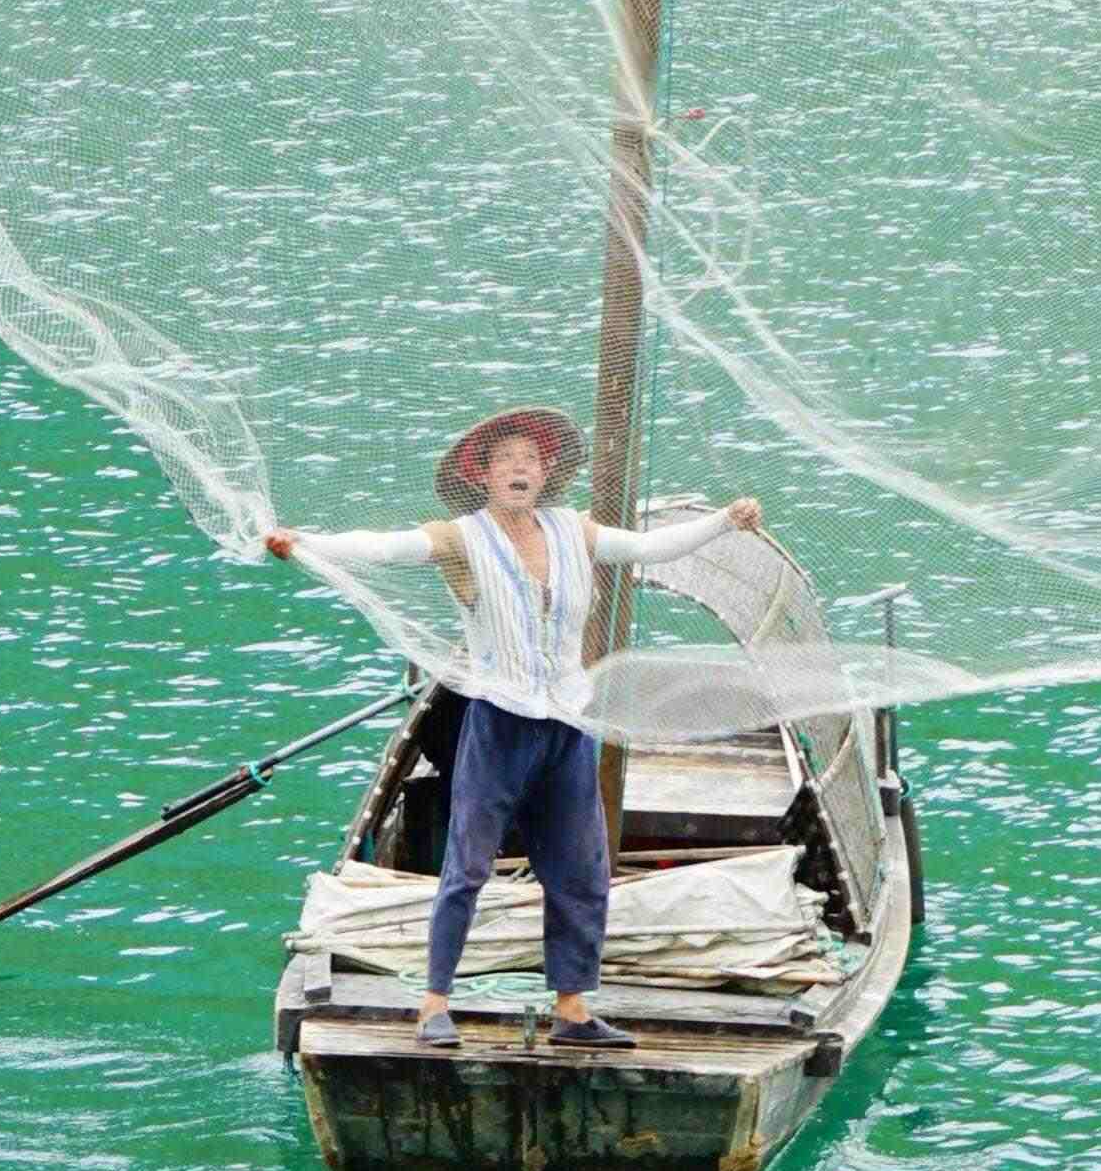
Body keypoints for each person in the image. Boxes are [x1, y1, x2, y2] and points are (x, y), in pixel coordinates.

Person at [269, 408, 758, 1055]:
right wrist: (306, 543)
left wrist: (724, 521)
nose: (520, 469)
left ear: (547, 472)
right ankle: (435, 1004)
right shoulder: (459, 539)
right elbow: (383, 548)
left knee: (579, 869)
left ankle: (574, 1009)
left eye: (531, 459)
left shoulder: (571, 531)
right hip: (499, 722)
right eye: (506, 461)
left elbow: (645, 549)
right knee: (467, 866)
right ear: (483, 476)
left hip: (567, 725)